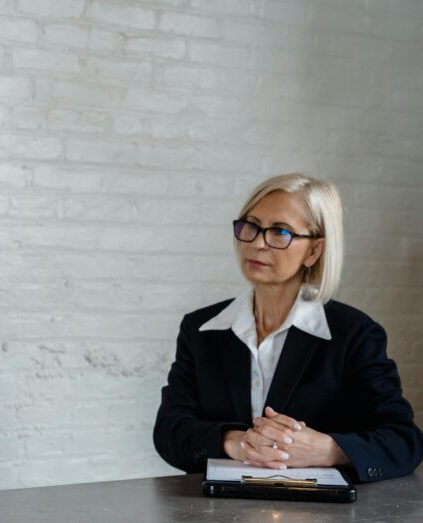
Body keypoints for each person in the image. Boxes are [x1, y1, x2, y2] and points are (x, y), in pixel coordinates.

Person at [153, 173, 423, 482]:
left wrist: (329, 450)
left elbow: (404, 441)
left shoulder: (355, 334)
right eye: (251, 226)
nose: (257, 243)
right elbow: (169, 431)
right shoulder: (200, 329)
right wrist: (237, 443)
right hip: (216, 515)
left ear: (314, 251)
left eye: (279, 232)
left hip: (321, 521)